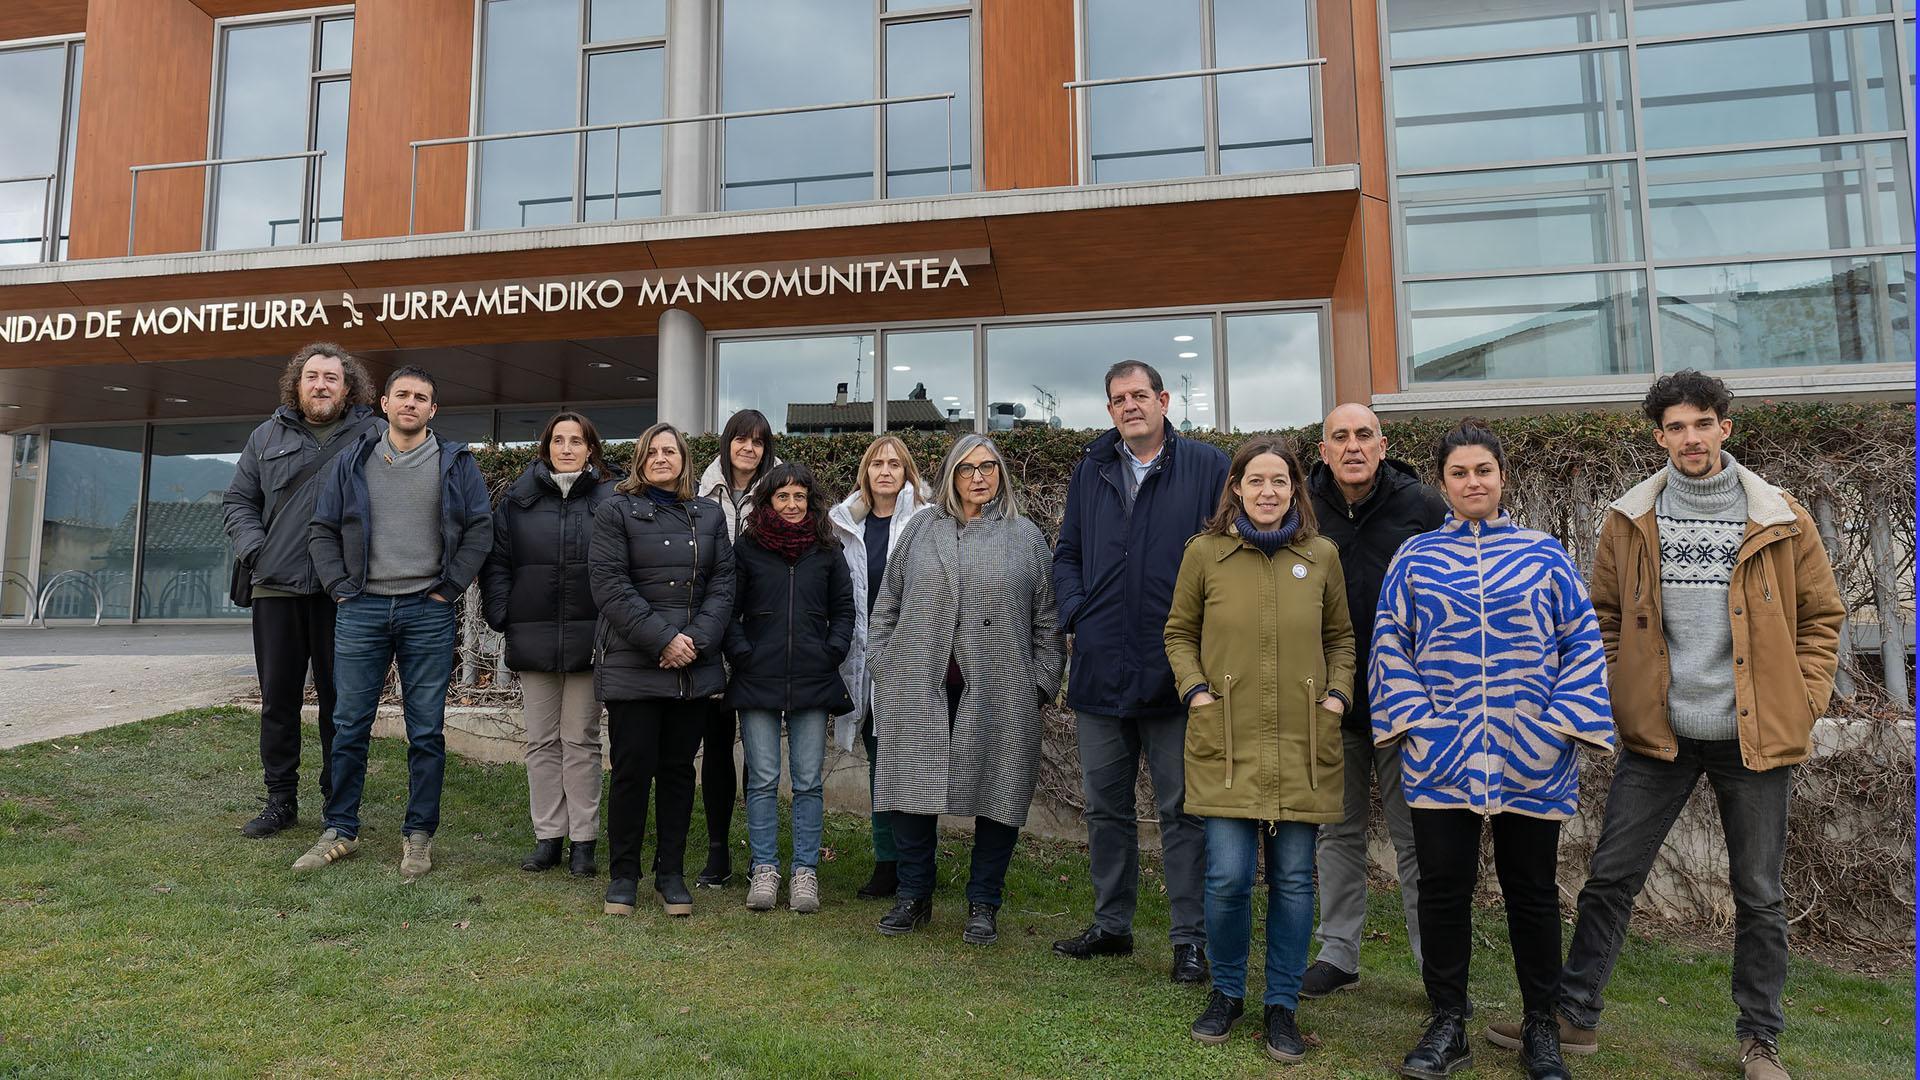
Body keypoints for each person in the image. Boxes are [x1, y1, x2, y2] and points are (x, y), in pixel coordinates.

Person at [1486, 372, 1844, 1080]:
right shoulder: (1630, 519)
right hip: (1661, 736)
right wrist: (1625, 693)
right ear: (1660, 437)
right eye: (1676, 427)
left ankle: (1760, 1042)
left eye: (1702, 424)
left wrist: (1802, 700)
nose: (1691, 438)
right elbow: (1605, 618)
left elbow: (1823, 619)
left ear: (1724, 429)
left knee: (1759, 894)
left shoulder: (1781, 516)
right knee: (1611, 878)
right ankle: (1574, 1016)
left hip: (1756, 738)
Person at [1371, 422, 1615, 1080]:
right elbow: (1390, 645)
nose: (1472, 482)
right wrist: (1420, 725)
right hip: (1440, 756)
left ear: (1502, 477)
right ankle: (1447, 1022)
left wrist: (1555, 725)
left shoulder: (1546, 557)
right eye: (1459, 473)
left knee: (1531, 892)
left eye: (1483, 470)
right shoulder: (1414, 559)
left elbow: (1582, 644)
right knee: (1442, 890)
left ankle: (1542, 1028)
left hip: (1530, 755)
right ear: (1443, 483)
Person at [1164, 437, 1355, 1065]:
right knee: (1227, 877)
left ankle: (1281, 1004)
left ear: (1295, 489)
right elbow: (1178, 633)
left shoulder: (1321, 555)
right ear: (1236, 489)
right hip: (1226, 739)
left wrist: (1335, 700)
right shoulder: (1206, 554)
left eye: (1280, 481)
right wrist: (1195, 692)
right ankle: (1225, 992)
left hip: (1302, 742)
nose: (1268, 492)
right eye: (1256, 481)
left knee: (1295, 881)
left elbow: (1342, 640)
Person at [1050, 360, 1228, 984]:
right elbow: (1067, 552)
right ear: (1109, 411)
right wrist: (1076, 613)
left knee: (1183, 810)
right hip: (1101, 668)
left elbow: (1228, 555)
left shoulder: (1207, 466)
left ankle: (1190, 940)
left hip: (1177, 673)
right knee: (1105, 809)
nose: (1129, 406)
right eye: (1117, 399)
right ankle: (1112, 926)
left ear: (1163, 399)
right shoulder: (1092, 468)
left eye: (1139, 395)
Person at [294, 365, 494, 879]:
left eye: (421, 397)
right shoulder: (353, 459)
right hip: (361, 609)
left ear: (433, 410)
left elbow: (479, 530)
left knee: (425, 730)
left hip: (426, 611)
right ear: (384, 404)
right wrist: (340, 586)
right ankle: (339, 829)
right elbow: (321, 528)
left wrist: (448, 588)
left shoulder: (456, 462)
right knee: (348, 724)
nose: (411, 403)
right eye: (402, 395)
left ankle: (418, 836)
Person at [867, 434, 1064, 946]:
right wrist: (883, 665)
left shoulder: (1025, 536)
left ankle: (984, 902)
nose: (980, 477)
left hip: (1001, 688)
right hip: (917, 681)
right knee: (912, 789)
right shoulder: (920, 529)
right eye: (968, 468)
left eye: (989, 467)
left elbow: (1047, 620)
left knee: (999, 792)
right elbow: (887, 603)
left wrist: (1039, 683)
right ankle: (914, 894)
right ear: (951, 474)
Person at [1300, 402, 1446, 998]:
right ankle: (1338, 953)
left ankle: (1434, 963)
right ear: (1324, 449)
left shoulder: (1424, 508)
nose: (1353, 446)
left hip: (1408, 704)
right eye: (1341, 437)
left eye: (1364, 435)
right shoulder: (1300, 510)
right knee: (1337, 831)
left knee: (1418, 837)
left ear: (1383, 445)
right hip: (1329, 701)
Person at [222, 342, 380, 839]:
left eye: (332, 378)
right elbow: (238, 501)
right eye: (312, 376)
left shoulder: (374, 435)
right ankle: (280, 800)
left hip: (344, 592)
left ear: (348, 387)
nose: (321, 385)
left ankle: (339, 802)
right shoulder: (265, 436)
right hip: (276, 590)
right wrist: (256, 550)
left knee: (343, 702)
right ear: (297, 383)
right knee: (279, 701)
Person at [591, 422, 736, 918]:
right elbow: (609, 585)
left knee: (678, 772)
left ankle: (670, 873)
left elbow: (723, 585)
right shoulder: (615, 510)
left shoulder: (709, 515)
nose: (660, 458)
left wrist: (693, 642)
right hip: (636, 663)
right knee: (632, 771)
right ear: (639, 459)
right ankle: (624, 875)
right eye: (651, 451)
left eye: (669, 451)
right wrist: (662, 640)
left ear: (684, 460)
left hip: (691, 666)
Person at [481, 411, 616, 877]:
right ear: (546, 447)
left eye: (576, 440)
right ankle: (548, 837)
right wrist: (503, 614)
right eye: (558, 440)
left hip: (590, 641)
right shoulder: (518, 500)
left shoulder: (610, 499)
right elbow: (497, 561)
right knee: (541, 742)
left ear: (590, 449)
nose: (566, 448)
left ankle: (583, 840)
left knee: (580, 740)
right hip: (533, 636)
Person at [725, 462, 855, 914]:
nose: (792, 504)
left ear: (811, 501)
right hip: (756, 675)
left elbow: (844, 608)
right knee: (761, 779)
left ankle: (804, 873)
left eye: (800, 496)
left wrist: (831, 650)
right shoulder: (747, 548)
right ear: (768, 501)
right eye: (783, 497)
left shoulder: (827, 548)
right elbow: (729, 608)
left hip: (813, 677)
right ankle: (764, 869)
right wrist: (742, 652)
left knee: (807, 782)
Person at [826, 435, 933, 901]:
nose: (885, 471)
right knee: (877, 766)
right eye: (876, 464)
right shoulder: (846, 525)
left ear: (906, 471)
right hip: (862, 660)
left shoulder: (927, 522)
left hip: (911, 661)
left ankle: (915, 866)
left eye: (894, 463)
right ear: (865, 473)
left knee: (909, 766)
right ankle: (886, 862)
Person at [691, 408, 780, 887]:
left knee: (762, 751)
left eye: (758, 442)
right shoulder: (699, 489)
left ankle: (760, 852)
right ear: (727, 443)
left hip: (761, 633)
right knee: (718, 743)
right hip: (709, 628)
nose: (749, 448)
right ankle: (718, 849)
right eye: (741, 440)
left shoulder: (781, 492)